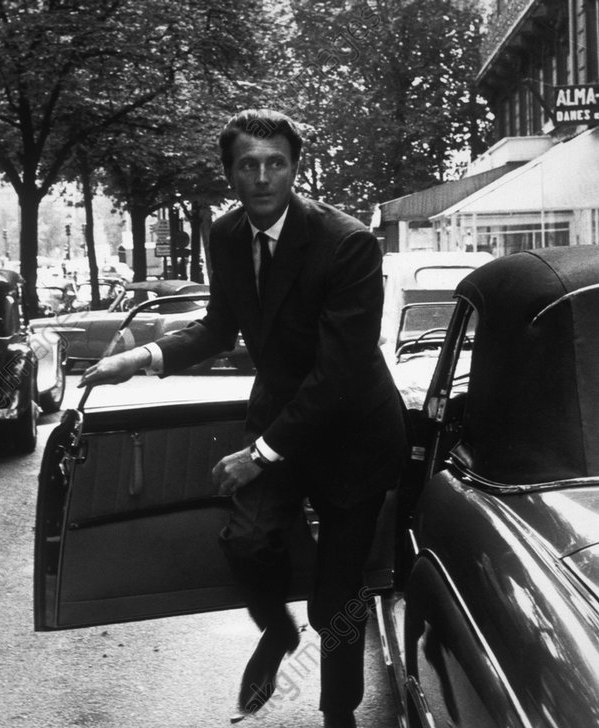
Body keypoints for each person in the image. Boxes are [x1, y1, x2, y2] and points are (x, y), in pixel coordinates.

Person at [79, 109, 406, 728]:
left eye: (275, 163)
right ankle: (278, 632)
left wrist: (258, 454)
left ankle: (340, 713)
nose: (262, 177)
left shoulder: (349, 243)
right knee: (246, 540)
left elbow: (338, 375)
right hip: (281, 417)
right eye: (248, 165)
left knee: (338, 599)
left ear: (295, 169)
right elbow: (217, 327)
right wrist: (138, 359)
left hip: (352, 432)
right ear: (229, 173)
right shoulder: (226, 235)